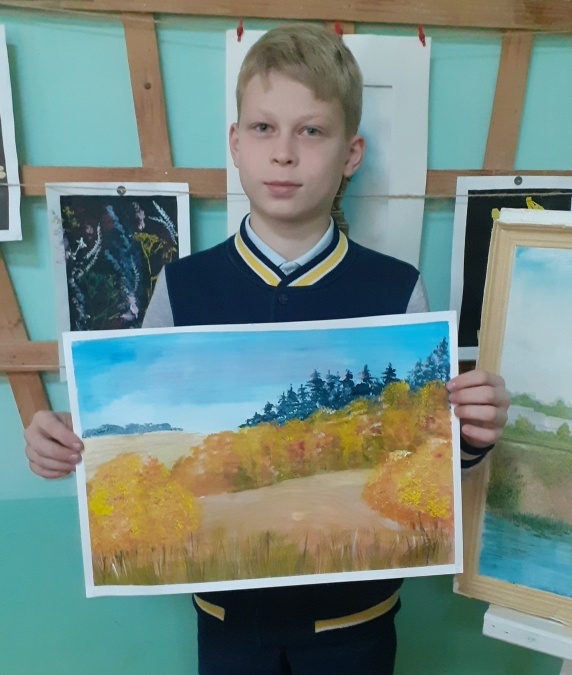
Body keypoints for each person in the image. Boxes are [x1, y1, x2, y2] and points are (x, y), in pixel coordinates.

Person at [24, 24, 509, 675]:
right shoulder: (182, 286)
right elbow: (127, 428)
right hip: (226, 628)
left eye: (311, 131)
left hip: (357, 628)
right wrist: (63, 440)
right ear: (235, 142)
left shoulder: (397, 290)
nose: (284, 153)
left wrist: (470, 438)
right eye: (263, 128)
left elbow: (427, 460)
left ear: (351, 153)